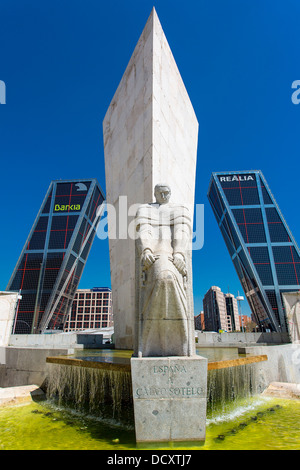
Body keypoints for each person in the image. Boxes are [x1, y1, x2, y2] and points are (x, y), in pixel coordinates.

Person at [134, 184, 195, 357]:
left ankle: (180, 342)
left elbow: (182, 232)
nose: (163, 195)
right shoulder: (145, 209)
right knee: (163, 277)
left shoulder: (179, 209)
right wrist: (146, 250)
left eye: (166, 192)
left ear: (171, 193)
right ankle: (150, 342)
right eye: (160, 192)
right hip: (155, 255)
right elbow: (142, 231)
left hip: (174, 255)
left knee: (169, 277)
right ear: (154, 194)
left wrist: (180, 254)